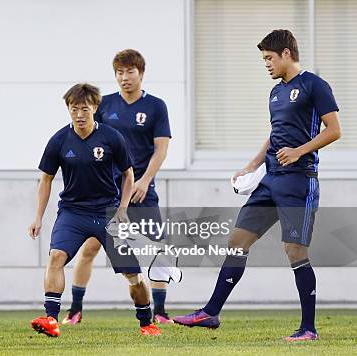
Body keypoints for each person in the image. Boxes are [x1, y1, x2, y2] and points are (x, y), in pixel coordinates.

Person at [173, 29, 341, 342]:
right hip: (270, 180)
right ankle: (211, 312)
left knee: (294, 250)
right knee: (237, 240)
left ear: (286, 54)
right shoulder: (275, 93)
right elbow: (276, 133)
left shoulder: (314, 85)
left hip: (299, 181)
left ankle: (308, 329)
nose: (266, 64)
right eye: (263, 58)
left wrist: (300, 151)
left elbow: (334, 130)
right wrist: (252, 165)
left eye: (269, 58)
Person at [28, 83, 161, 337]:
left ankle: (147, 322)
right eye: (74, 109)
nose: (79, 114)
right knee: (56, 256)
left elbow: (128, 174)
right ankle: (50, 319)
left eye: (84, 109)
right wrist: (38, 217)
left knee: (133, 275)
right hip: (72, 212)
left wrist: (122, 208)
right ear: (68, 109)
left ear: (95, 108)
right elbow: (45, 179)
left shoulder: (112, 137)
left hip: (107, 212)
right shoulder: (58, 140)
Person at [63, 49, 176, 326]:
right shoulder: (104, 104)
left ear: (141, 73)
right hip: (106, 192)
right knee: (89, 248)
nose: (124, 78)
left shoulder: (156, 106)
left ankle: (159, 312)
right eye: (119, 73)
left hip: (142, 188)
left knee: (158, 251)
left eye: (130, 72)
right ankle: (75, 310)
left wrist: (144, 180)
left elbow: (161, 150)